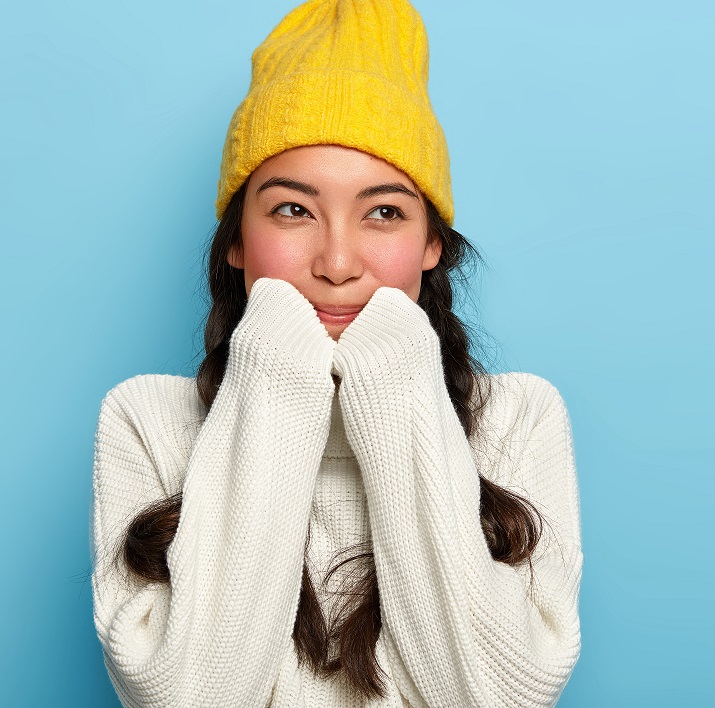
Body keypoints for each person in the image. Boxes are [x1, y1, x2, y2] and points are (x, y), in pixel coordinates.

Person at [89, 1, 583, 705]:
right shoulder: (145, 420)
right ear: (236, 240)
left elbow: (496, 698)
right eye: (293, 210)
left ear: (432, 245)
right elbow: (189, 697)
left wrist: (398, 384)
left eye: (384, 212)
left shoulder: (518, 418)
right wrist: (278, 378)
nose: (339, 261)